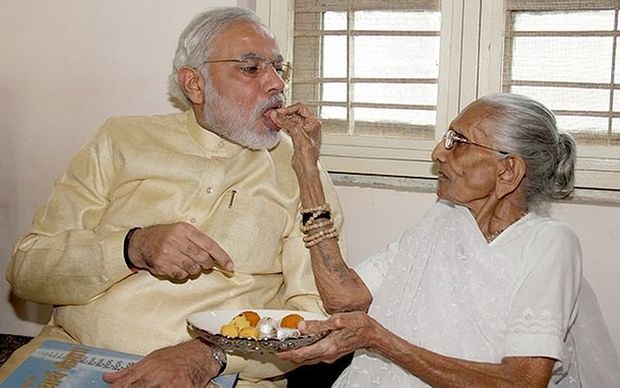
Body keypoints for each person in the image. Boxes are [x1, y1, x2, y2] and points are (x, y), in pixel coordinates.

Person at [1, 7, 346, 387]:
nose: (276, 83)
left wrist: (213, 355)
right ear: (194, 84)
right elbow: (28, 270)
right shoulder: (120, 140)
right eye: (251, 69)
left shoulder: (302, 171)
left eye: (279, 68)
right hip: (75, 355)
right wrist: (131, 247)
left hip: (221, 374)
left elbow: (315, 312)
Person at [270, 93, 620, 387]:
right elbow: (343, 296)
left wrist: (382, 341)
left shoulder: (549, 244)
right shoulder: (445, 218)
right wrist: (307, 167)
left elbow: (522, 382)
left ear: (508, 170)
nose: (438, 152)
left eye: (458, 141)